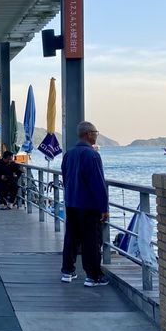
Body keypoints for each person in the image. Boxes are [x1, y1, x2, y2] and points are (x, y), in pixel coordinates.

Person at [60, 121, 110, 287]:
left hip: (71, 202)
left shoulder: (69, 154)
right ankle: (93, 276)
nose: (96, 135)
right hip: (88, 204)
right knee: (91, 240)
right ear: (89, 134)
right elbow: (98, 183)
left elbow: (65, 177)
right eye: (96, 132)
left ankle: (67, 271)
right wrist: (103, 208)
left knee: (71, 236)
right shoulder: (92, 155)